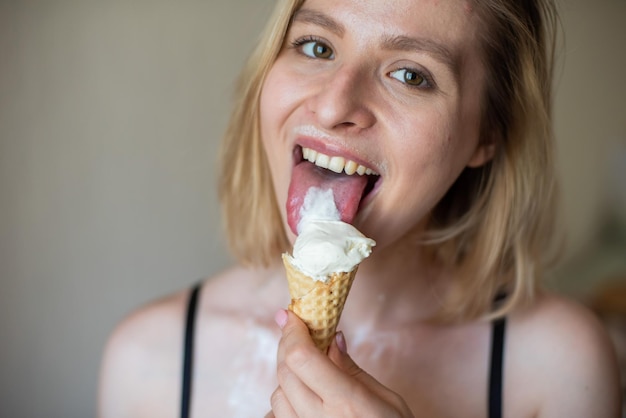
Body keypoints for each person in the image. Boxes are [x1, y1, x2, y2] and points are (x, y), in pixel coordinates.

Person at [98, 0, 622, 416]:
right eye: (316, 46)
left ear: (486, 133)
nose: (333, 105)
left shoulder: (562, 368)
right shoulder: (148, 360)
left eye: (411, 75)